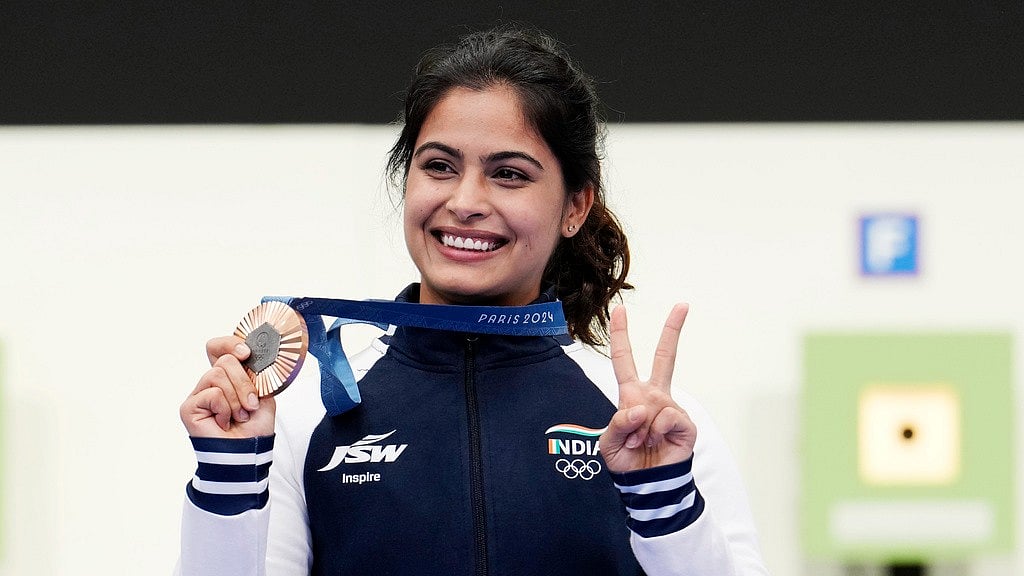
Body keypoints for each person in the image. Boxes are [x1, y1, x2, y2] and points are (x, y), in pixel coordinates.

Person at [177, 26, 769, 576]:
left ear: (575, 207)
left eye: (509, 174)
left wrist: (665, 506)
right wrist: (229, 481)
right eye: (439, 166)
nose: (465, 202)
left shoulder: (646, 426)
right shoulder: (309, 414)